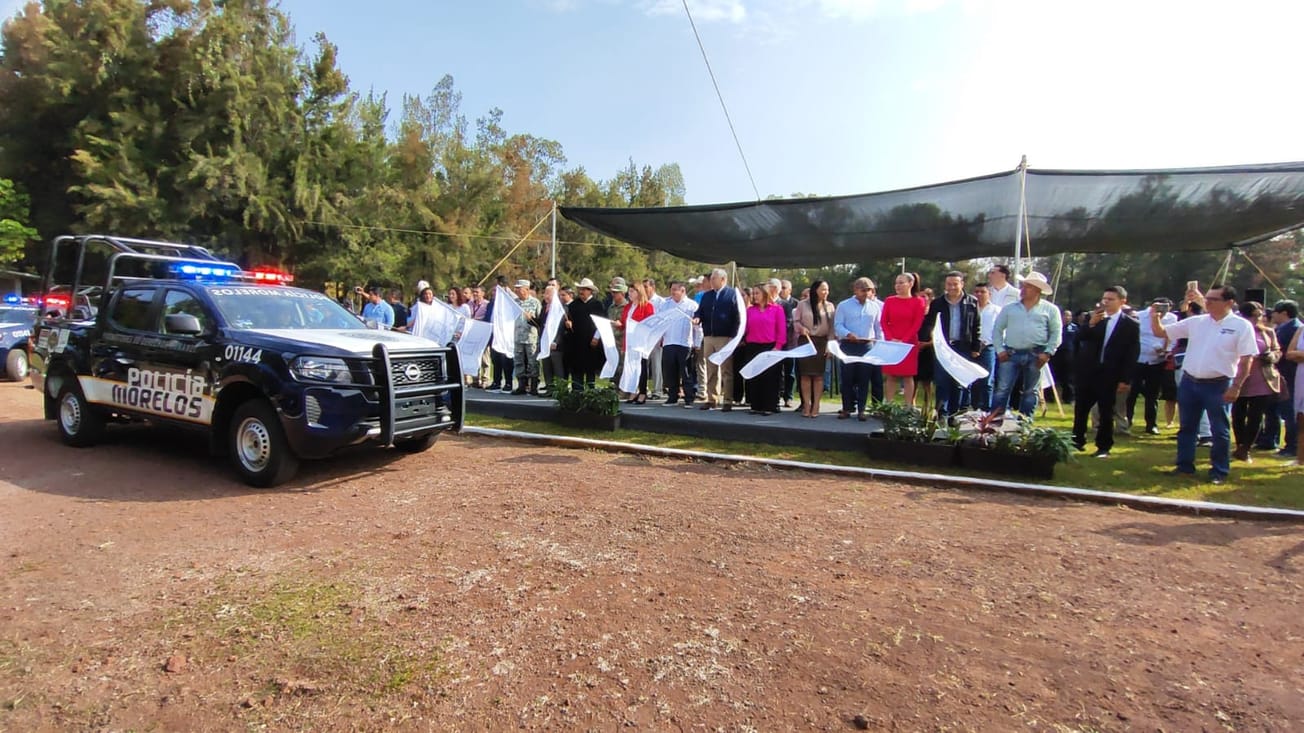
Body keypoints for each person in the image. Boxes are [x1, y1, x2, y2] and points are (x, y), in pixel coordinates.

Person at [1149, 284, 1259, 484]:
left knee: (1219, 430)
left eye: (1213, 299)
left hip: (1219, 384)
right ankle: (1184, 466)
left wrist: (1236, 387)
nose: (1206, 302)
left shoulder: (1241, 326)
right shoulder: (1196, 322)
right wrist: (1155, 315)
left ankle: (1219, 471)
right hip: (1190, 381)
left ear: (1229, 303)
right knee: (1187, 428)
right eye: (1206, 298)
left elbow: (1246, 359)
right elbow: (1161, 333)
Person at [1072, 286, 1140, 458]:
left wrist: (1125, 379)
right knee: (1081, 409)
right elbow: (1079, 338)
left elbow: (1132, 353)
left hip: (1110, 373)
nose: (1106, 302)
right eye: (1104, 299)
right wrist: (1091, 324)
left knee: (1106, 410)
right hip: (1088, 371)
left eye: (1111, 299)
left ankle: (1103, 447)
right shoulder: (1094, 317)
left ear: (1122, 301)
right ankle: (1076, 442)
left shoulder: (1130, 325)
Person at [990, 272, 1061, 417]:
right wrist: (1000, 350)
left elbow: (1056, 333)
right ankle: (994, 421)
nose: (1023, 289)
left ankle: (1024, 423)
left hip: (1037, 353)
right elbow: (997, 329)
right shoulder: (1010, 308)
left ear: (1037, 290)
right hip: (1011, 353)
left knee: (1030, 391)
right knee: (1002, 389)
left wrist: (1048, 353)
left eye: (1027, 287)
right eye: (1023, 286)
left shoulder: (1050, 309)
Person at [1228, 301, 1283, 462]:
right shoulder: (1236, 330)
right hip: (1239, 375)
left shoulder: (1268, 332)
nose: (1259, 318)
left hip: (1261, 377)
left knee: (1256, 415)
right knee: (1238, 413)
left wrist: (1272, 356)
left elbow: (1276, 350)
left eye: (1260, 315)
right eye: (1256, 315)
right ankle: (1239, 444)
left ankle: (1246, 449)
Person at [920, 271, 981, 417]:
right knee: (942, 381)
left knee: (958, 382)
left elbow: (976, 326)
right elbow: (929, 323)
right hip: (943, 347)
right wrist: (929, 336)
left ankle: (954, 415)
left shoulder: (971, 302)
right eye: (949, 284)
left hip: (963, 346)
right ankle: (942, 414)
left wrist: (976, 347)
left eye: (955, 284)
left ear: (962, 284)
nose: (952, 287)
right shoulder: (938, 303)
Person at [834, 277, 884, 421]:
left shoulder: (874, 307)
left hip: (867, 346)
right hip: (848, 345)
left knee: (864, 379)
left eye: (868, 290)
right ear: (855, 290)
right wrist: (848, 334)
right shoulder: (844, 305)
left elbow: (878, 328)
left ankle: (862, 410)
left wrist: (880, 344)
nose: (866, 293)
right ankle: (846, 408)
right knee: (847, 378)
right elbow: (838, 325)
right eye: (863, 290)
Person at [1129, 297, 1178, 434]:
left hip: (1157, 360)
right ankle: (1128, 420)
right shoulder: (1139, 316)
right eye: (1160, 306)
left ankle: (1151, 424)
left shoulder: (1172, 318)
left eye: (1166, 307)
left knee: (1153, 394)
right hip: (1138, 359)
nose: (1163, 310)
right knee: (1132, 392)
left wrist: (1166, 351)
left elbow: (1173, 337)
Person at [696, 268, 742, 411]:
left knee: (726, 370)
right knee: (711, 369)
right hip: (709, 336)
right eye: (711, 279)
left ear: (723, 279)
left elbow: (737, 317)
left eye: (714, 278)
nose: (711, 281)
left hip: (725, 337)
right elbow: (700, 311)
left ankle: (728, 400)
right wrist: (697, 317)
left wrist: (733, 337)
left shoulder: (732, 294)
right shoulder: (706, 295)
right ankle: (712, 399)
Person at [1261, 300, 1301, 456]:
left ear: (1284, 313)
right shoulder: (1283, 328)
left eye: (1275, 313)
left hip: (1288, 376)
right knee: (1272, 409)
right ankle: (1269, 440)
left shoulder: (1294, 329)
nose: (1272, 316)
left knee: (1289, 411)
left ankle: (1292, 445)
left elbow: (1283, 352)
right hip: (1277, 375)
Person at [739, 283, 787, 415]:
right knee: (755, 376)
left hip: (770, 347)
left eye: (757, 293)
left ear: (765, 294)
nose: (754, 296)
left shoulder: (777, 309)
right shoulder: (750, 311)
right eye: (753, 293)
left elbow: (781, 330)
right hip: (753, 346)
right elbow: (745, 329)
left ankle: (770, 405)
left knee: (770, 377)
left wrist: (778, 347)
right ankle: (756, 405)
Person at [881, 273, 926, 408]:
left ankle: (908, 406)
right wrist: (890, 338)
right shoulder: (890, 300)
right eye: (896, 283)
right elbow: (884, 321)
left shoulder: (918, 301)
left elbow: (917, 323)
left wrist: (904, 340)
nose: (898, 286)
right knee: (891, 375)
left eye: (901, 283)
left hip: (909, 343)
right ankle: (887, 405)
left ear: (910, 284)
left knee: (908, 375)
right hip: (892, 342)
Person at [795, 279, 836, 418]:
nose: (826, 292)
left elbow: (832, 328)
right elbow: (796, 321)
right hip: (806, 342)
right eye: (823, 289)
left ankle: (816, 404)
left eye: (827, 290)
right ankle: (806, 404)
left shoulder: (829, 306)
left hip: (821, 342)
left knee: (818, 376)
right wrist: (801, 328)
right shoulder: (802, 304)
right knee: (805, 375)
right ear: (815, 290)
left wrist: (830, 346)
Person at [660, 280, 699, 407]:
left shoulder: (692, 305)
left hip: (685, 343)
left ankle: (689, 398)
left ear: (683, 290)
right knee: (670, 371)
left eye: (675, 290)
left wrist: (697, 342)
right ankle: (672, 397)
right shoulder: (665, 304)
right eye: (671, 290)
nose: (672, 292)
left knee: (686, 371)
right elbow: (660, 321)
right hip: (669, 342)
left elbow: (698, 327)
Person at [565, 278, 606, 390]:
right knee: (576, 370)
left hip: (591, 342)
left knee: (590, 369)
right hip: (576, 343)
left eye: (584, 289)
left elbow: (602, 323)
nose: (581, 291)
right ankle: (576, 392)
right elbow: (568, 320)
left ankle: (590, 391)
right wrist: (568, 324)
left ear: (590, 291)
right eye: (580, 289)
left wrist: (596, 337)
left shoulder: (597, 305)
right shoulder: (574, 305)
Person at [620, 281, 656, 404]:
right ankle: (633, 391)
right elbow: (624, 323)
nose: (629, 294)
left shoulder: (647, 306)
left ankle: (642, 392)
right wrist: (618, 324)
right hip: (629, 341)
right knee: (630, 367)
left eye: (632, 291)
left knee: (641, 367)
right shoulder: (627, 307)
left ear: (639, 292)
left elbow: (650, 324)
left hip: (641, 342)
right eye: (629, 291)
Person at [971, 282, 1000, 411]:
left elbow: (1000, 330)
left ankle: (986, 409)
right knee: (972, 379)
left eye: (982, 292)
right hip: (971, 348)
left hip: (988, 347)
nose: (979, 294)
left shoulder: (996, 310)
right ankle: (973, 407)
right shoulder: (970, 308)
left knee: (987, 380)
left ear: (989, 294)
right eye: (976, 292)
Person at [510, 280, 542, 396]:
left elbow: (540, 321)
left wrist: (531, 318)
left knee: (533, 362)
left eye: (519, 288)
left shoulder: (535, 303)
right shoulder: (514, 302)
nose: (517, 290)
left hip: (531, 338)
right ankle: (521, 385)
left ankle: (533, 386)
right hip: (518, 337)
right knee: (518, 362)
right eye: (516, 288)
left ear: (527, 289)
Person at [1284, 325, 1304, 466]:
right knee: (1301, 418)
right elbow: (1290, 354)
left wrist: (1300, 354)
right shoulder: (1301, 329)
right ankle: (1300, 458)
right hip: (1301, 378)